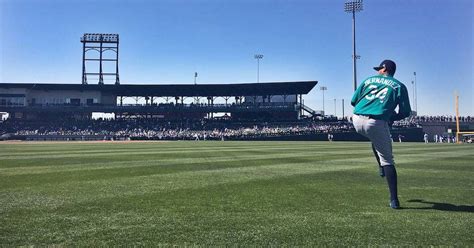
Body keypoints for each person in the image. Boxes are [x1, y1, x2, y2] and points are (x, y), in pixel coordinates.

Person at [351, 59, 412, 209]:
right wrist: (392, 117)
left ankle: (380, 166)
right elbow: (405, 112)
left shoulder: (368, 80)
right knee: (388, 161)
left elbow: (353, 101)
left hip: (356, 119)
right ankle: (394, 200)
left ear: (385, 69)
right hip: (376, 122)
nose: (378, 71)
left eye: (380, 68)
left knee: (375, 139)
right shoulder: (399, 85)